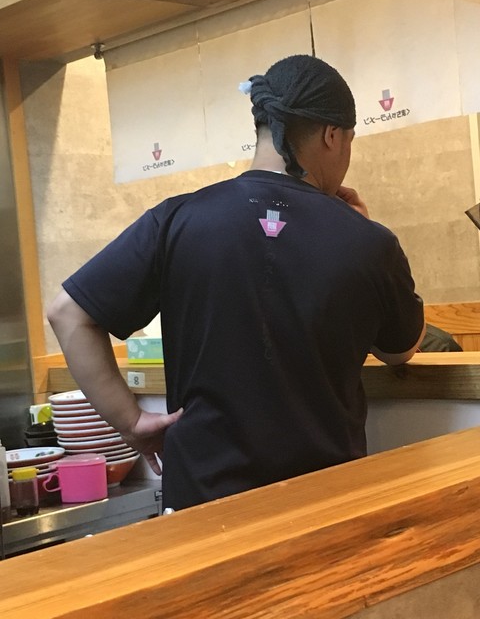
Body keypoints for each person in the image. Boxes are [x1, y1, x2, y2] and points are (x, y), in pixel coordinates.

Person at [47, 55, 425, 511]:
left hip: (201, 502)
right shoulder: (367, 240)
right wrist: (362, 231)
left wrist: (131, 422)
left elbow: (67, 313)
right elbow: (400, 350)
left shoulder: (178, 218)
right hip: (322, 502)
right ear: (331, 135)